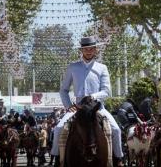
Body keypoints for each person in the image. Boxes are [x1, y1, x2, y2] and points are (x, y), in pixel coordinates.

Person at [51, 36, 124, 167]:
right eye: (86, 49)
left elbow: (107, 91)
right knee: (58, 128)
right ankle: (57, 159)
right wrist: (69, 106)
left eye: (91, 49)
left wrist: (93, 96)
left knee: (116, 130)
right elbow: (63, 90)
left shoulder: (102, 68)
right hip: (78, 108)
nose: (89, 51)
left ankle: (118, 159)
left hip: (97, 108)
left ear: (95, 50)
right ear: (81, 50)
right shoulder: (73, 67)